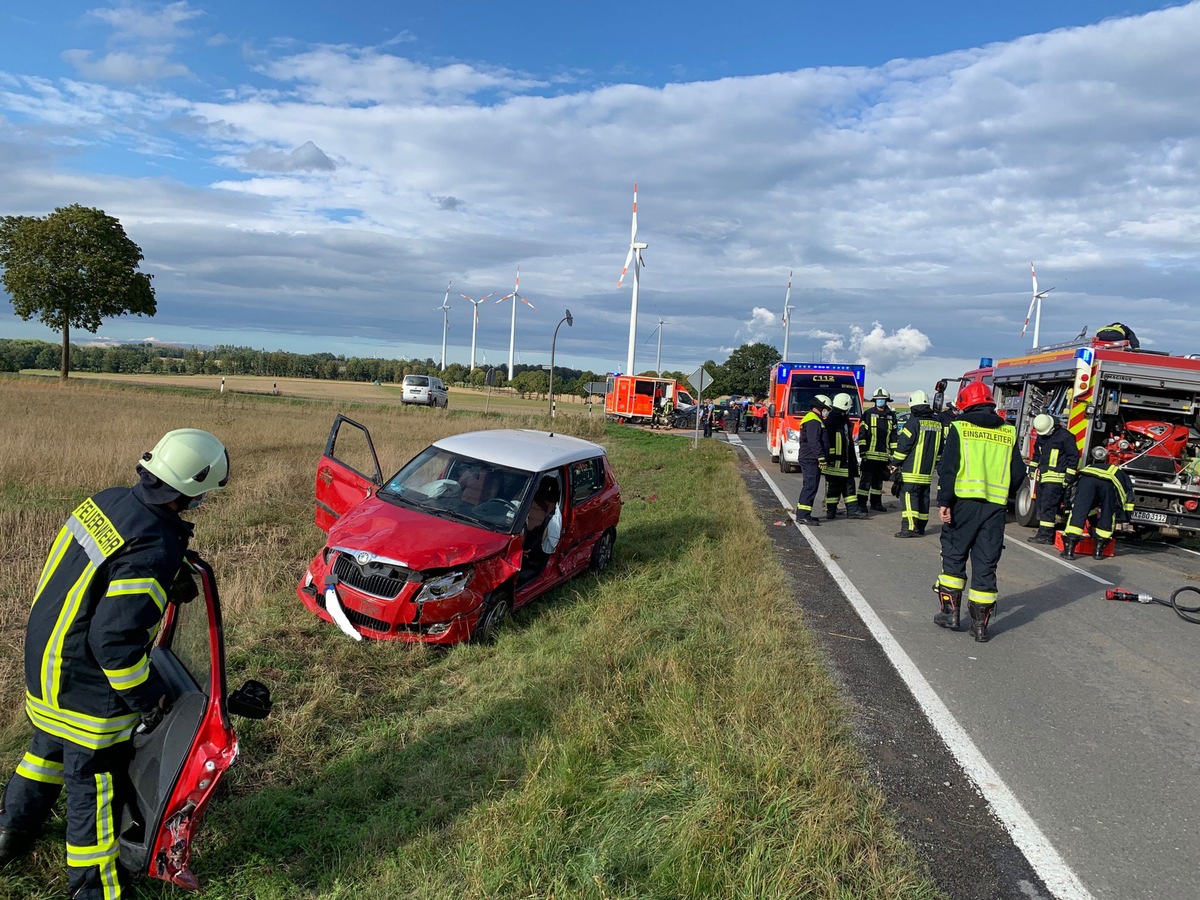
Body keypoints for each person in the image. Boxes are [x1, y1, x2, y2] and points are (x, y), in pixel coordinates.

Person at [0, 429, 230, 899]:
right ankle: (94, 888)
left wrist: (172, 570)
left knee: (46, 751)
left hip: (47, 662)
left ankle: (9, 833)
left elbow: (106, 568)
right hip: (86, 687)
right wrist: (146, 697)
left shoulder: (105, 502)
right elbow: (115, 642)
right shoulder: (155, 549)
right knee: (94, 787)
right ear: (192, 489)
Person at [932, 382, 1025, 642]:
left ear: (965, 404)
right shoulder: (1008, 432)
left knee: (953, 556)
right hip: (995, 508)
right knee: (986, 562)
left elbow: (948, 469)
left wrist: (944, 501)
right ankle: (981, 627)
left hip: (963, 505)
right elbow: (1018, 474)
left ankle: (950, 614)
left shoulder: (960, 428)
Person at [1061, 446, 1134, 560]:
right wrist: (1125, 517)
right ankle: (1098, 552)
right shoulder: (1121, 475)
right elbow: (1128, 498)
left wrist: (1067, 507)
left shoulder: (1088, 468)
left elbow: (1071, 491)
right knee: (1108, 512)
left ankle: (1069, 551)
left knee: (1079, 510)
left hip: (1087, 481)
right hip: (1109, 485)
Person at [890, 390, 943, 537]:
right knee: (923, 499)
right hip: (927, 473)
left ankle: (909, 528)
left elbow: (904, 446)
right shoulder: (938, 424)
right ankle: (920, 528)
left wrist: (895, 463)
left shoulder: (912, 423)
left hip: (911, 471)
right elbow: (940, 449)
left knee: (908, 497)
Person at [1026, 413, 1079, 544]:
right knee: (1042, 506)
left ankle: (1045, 535)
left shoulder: (1066, 437)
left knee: (1048, 507)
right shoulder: (1042, 436)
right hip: (1043, 476)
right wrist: (1032, 467)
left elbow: (1073, 457)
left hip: (1056, 478)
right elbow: (1037, 453)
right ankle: (1043, 532)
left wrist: (1068, 476)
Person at [822, 393, 866, 520]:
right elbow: (828, 442)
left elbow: (847, 442)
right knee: (833, 488)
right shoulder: (832, 421)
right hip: (836, 462)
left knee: (848, 487)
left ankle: (850, 511)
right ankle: (831, 511)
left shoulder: (843, 420)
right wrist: (830, 457)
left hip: (845, 462)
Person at [857, 386, 898, 514]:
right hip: (869, 456)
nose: (880, 401)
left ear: (887, 400)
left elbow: (893, 437)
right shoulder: (868, 414)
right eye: (878, 399)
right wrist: (863, 451)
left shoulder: (891, 416)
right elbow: (862, 434)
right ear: (875, 400)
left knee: (878, 483)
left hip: (883, 456)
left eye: (882, 399)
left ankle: (876, 503)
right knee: (865, 482)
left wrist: (894, 456)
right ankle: (861, 504)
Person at [794, 395, 831, 526]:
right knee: (810, 486)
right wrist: (821, 457)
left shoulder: (814, 419)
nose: (827, 411)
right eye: (826, 408)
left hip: (810, 457)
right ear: (820, 407)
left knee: (811, 486)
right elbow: (814, 441)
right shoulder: (813, 421)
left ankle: (804, 513)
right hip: (810, 458)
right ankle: (802, 515)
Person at [521, 476, 561, 580]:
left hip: (536, 535)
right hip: (528, 531)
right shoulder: (532, 497)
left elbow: (547, 523)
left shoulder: (550, 506)